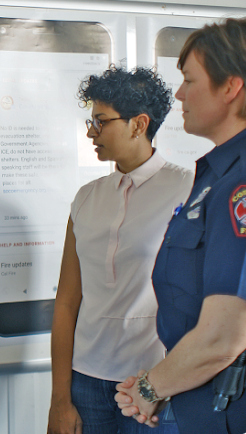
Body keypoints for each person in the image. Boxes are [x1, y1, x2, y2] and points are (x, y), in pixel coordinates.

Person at [115, 18, 246, 434]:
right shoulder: (216, 175)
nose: (179, 94)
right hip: (198, 397)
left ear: (230, 87)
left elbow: (222, 338)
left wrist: (150, 389)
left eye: (189, 80)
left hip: (228, 404)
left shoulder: (242, 184)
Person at [47, 66, 194, 434]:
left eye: (101, 121)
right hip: (85, 383)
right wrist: (59, 400)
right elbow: (66, 302)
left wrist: (170, 380)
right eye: (90, 120)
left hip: (153, 383)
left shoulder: (187, 189)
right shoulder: (87, 197)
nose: (90, 132)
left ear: (138, 124)